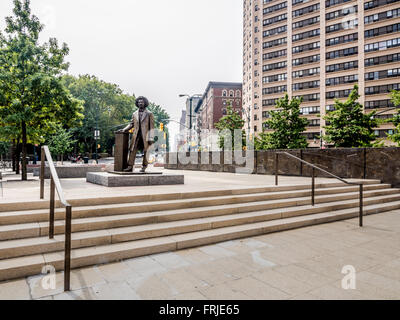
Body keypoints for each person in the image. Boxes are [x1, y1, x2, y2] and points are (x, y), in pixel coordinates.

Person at [118, 96, 155, 173]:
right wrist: (124, 129)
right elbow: (131, 124)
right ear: (137, 104)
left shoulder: (149, 114)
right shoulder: (134, 113)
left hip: (146, 136)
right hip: (136, 136)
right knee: (132, 150)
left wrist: (151, 138)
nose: (140, 103)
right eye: (139, 102)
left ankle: (144, 167)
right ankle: (130, 166)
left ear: (145, 103)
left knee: (146, 151)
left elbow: (151, 127)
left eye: (142, 102)